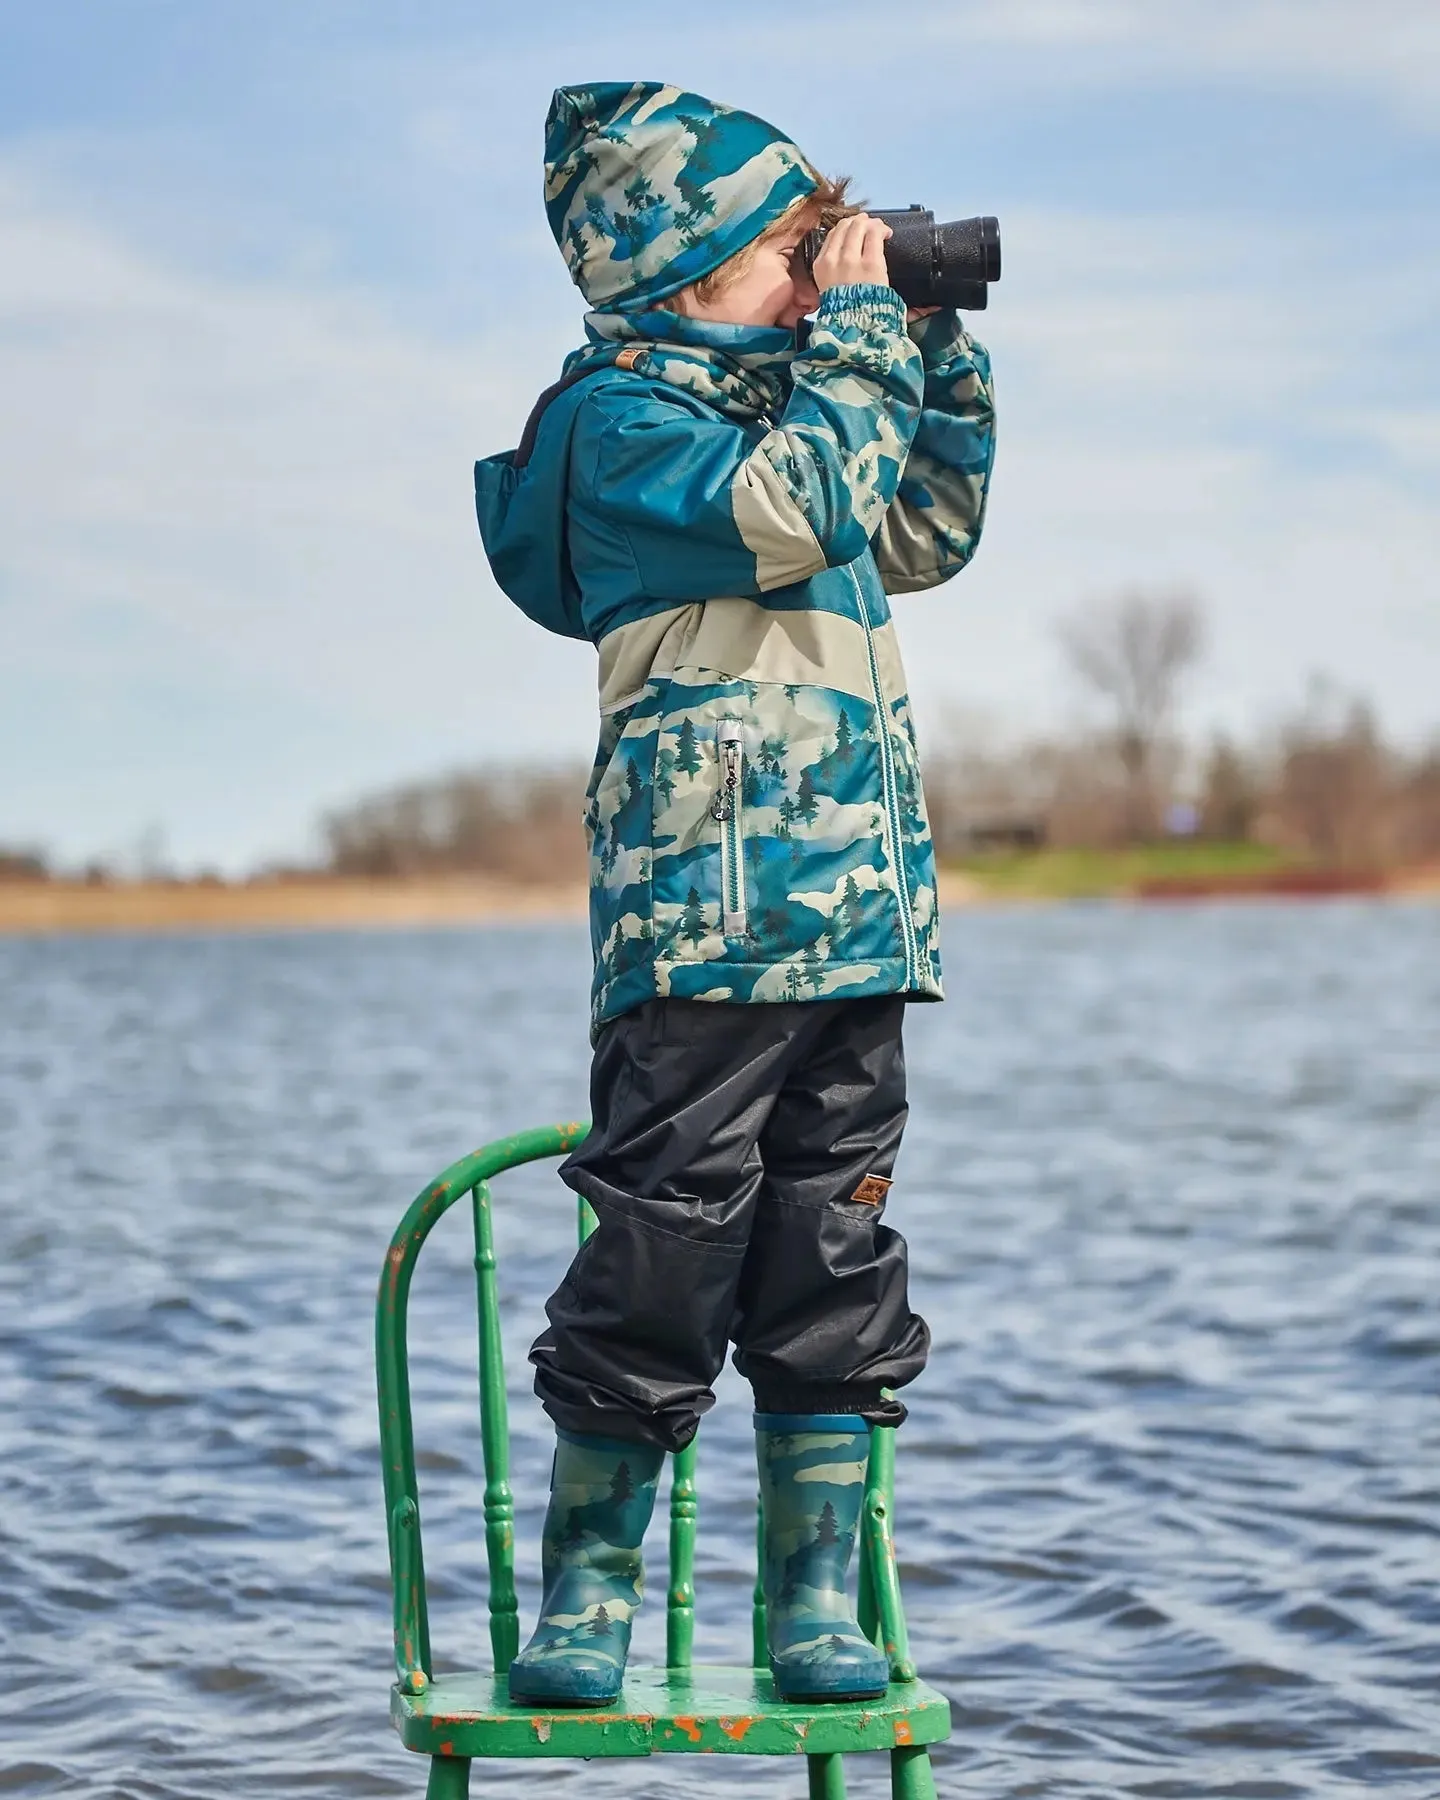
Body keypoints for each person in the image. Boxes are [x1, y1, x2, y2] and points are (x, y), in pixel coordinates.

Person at [474, 81, 995, 1708]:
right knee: (660, 1246)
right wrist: (852, 343)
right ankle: (589, 1604)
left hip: (853, 926)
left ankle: (810, 1605)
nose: (823, 271)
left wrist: (928, 340)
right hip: (703, 927)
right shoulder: (619, 430)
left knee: (832, 1257)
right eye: (796, 250)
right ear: (683, 268)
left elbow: (920, 522)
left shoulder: (813, 400)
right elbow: (809, 503)